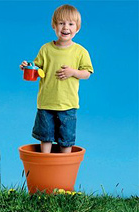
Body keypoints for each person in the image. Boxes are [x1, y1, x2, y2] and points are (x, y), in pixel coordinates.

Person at [20, 4, 94, 153]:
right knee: (45, 136)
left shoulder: (80, 52)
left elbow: (87, 73)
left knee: (66, 140)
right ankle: (45, 163)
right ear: (54, 26)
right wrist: (27, 66)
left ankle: (64, 168)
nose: (66, 27)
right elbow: (37, 67)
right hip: (46, 103)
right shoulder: (46, 49)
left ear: (77, 28)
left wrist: (73, 72)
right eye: (61, 23)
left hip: (68, 104)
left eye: (70, 24)